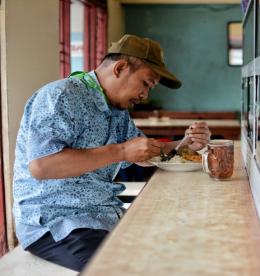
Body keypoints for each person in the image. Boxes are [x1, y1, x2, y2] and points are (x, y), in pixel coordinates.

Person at [12, 34, 211, 271]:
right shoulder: (60, 96)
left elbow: (143, 151)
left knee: (174, 248)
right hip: (56, 224)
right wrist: (121, 151)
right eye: (146, 84)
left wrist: (186, 143)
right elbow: (42, 166)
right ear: (120, 68)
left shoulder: (116, 109)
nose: (145, 95)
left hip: (102, 216)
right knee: (125, 268)